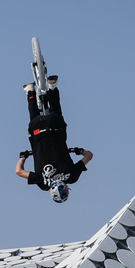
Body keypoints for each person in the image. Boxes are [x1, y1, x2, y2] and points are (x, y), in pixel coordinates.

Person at [15, 75, 93, 203]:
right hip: (38, 131)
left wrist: (80, 151)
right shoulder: (43, 183)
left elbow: (89, 155)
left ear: (66, 189)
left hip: (56, 127)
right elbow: (19, 171)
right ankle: (30, 91)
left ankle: (52, 87)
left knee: (57, 114)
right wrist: (23, 157)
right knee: (34, 119)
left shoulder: (72, 176)